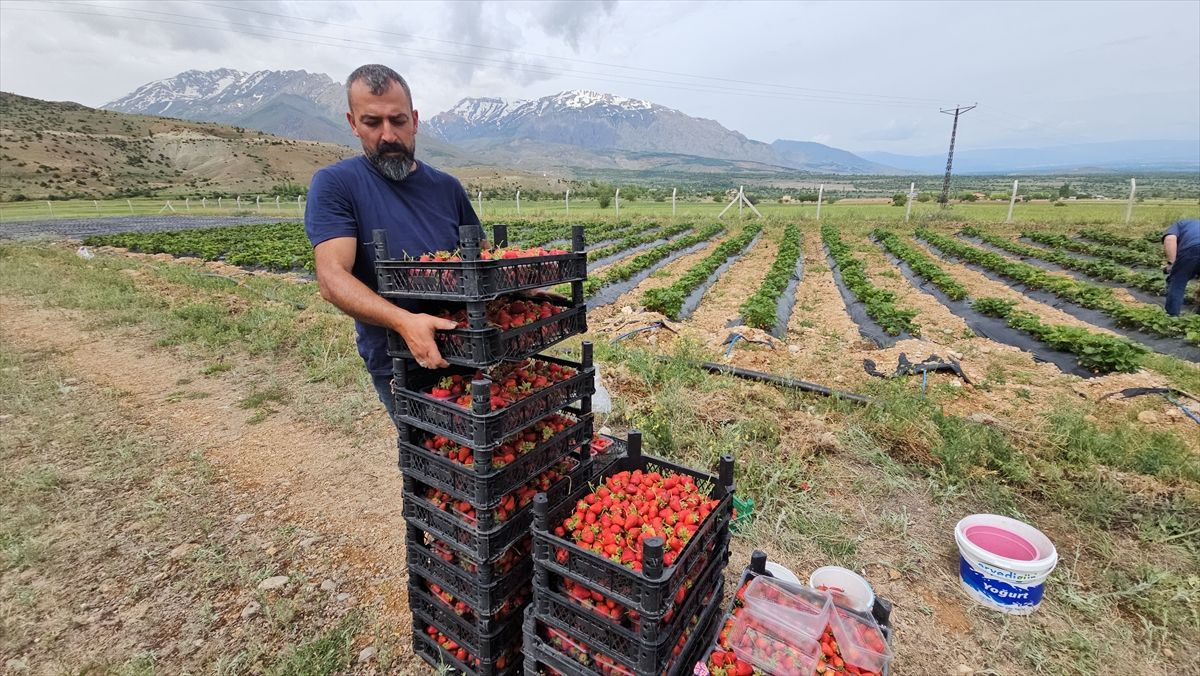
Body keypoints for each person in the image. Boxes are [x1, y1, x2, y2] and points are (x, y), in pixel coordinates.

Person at [304, 64, 480, 423]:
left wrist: (523, 294)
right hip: (401, 361)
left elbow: (481, 262)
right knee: (434, 462)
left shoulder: (447, 188)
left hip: (470, 350)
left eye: (398, 121)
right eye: (372, 122)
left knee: (493, 461)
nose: (388, 135)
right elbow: (332, 277)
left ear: (414, 120)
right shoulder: (337, 185)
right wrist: (404, 322)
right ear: (353, 124)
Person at [1162, 217, 1200, 317]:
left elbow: (1170, 239)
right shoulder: (1193, 224)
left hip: (1194, 248)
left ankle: (1172, 319)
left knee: (1177, 282)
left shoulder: (1180, 224)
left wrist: (1172, 263)